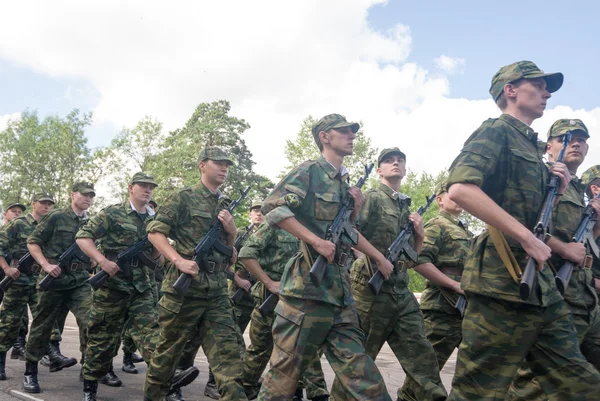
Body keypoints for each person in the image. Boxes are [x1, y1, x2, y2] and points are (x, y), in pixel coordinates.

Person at [445, 61, 600, 400]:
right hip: (500, 283)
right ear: (510, 90)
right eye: (539, 85)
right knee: (478, 391)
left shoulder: (531, 145)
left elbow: (534, 216)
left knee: (581, 382)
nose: (546, 93)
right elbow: (461, 188)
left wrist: (557, 191)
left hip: (541, 287)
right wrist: (528, 237)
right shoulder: (496, 131)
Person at [257, 114, 393, 401]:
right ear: (325, 137)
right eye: (343, 131)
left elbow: (348, 233)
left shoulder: (345, 184)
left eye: (352, 131)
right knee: (281, 382)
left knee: (363, 376)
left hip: (339, 294)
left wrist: (378, 256)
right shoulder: (309, 171)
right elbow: (273, 208)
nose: (351, 135)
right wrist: (315, 241)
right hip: (306, 292)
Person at [330, 147, 447, 401]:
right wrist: (378, 257)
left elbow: (411, 259)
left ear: (405, 169)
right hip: (370, 290)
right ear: (380, 169)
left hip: (400, 290)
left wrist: (420, 237)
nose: (395, 163)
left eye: (400, 161)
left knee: (423, 357)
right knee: (360, 361)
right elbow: (349, 232)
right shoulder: (372, 197)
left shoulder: (405, 205)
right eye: (389, 161)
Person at [144, 147, 248, 401]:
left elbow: (230, 255)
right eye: (219, 163)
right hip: (185, 290)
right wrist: (178, 260)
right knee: (168, 354)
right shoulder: (183, 197)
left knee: (229, 355)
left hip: (216, 291)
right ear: (202, 165)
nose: (224, 168)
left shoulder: (225, 205)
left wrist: (232, 231)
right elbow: (155, 232)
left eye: (227, 165)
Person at [506, 119, 600, 399]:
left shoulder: (577, 189)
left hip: (582, 296)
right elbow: (520, 225)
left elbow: (584, 244)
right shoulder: (542, 176)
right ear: (549, 147)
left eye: (581, 139)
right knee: (535, 381)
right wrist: (562, 248)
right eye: (566, 138)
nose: (576, 143)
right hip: (552, 290)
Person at [240, 222, 329, 401]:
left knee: (303, 346)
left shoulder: (314, 226)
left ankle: (302, 391)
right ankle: (244, 389)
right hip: (270, 297)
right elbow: (246, 254)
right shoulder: (274, 224)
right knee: (261, 347)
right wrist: (269, 282)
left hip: (301, 300)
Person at [24, 183, 97, 393]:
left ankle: (88, 368)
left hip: (80, 281)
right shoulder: (56, 216)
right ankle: (30, 372)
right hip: (54, 281)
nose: (88, 199)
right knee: (42, 326)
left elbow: (92, 245)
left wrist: (93, 259)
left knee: (91, 320)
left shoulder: (90, 222)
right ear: (72, 194)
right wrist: (46, 265)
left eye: (91, 196)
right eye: (84, 194)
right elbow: (33, 241)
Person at [0, 193, 73, 380]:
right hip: (18, 279)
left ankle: (53, 355)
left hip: (41, 279)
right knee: (9, 324)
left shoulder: (52, 225)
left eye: (50, 204)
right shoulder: (19, 223)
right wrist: (7, 268)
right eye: (43, 203)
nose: (47, 207)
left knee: (47, 320)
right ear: (33, 204)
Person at [203, 200, 266, 400]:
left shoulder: (269, 234)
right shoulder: (239, 235)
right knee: (228, 340)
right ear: (249, 214)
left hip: (259, 295)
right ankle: (213, 383)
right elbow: (226, 262)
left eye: (262, 211)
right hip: (239, 295)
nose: (259, 214)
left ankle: (247, 382)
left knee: (255, 343)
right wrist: (237, 279)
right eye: (255, 211)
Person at [413, 183, 472, 373]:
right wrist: (454, 284)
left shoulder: (465, 231)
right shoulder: (437, 225)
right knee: (425, 374)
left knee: (477, 372)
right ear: (439, 199)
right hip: (440, 311)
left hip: (465, 309)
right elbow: (419, 261)